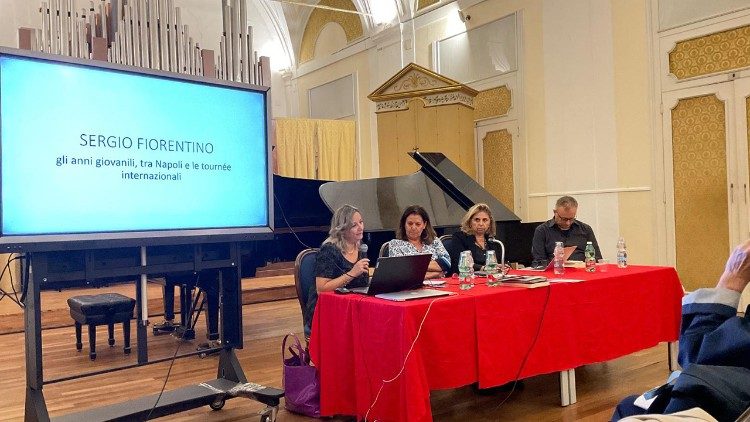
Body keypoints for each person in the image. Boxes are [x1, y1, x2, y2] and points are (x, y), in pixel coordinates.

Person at [612, 240, 750, 422]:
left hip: (720, 399)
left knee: (630, 410)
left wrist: (732, 278)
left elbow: (696, 356)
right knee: (630, 405)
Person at [303, 204, 369, 336]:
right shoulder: (329, 249)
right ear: (342, 228)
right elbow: (321, 289)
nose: (360, 227)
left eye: (361, 222)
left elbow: (361, 284)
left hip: (352, 308)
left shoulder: (361, 248)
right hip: (327, 311)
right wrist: (351, 274)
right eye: (354, 225)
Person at [531, 195, 602, 267]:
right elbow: (538, 262)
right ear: (555, 212)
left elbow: (597, 258)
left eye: (571, 219)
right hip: (555, 273)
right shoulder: (542, 230)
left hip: (582, 271)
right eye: (564, 219)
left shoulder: (585, 229)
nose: (568, 223)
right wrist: (557, 263)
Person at [386, 205, 451, 279]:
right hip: (410, 288)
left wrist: (413, 266)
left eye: (418, 224)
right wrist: (435, 273)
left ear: (424, 225)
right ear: (404, 224)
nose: (413, 227)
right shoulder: (395, 244)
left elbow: (446, 263)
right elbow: (401, 271)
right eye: (410, 223)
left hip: (439, 287)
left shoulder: (434, 241)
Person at [447, 203, 504, 275]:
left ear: (490, 223)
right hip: (468, 278)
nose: (481, 224)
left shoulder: (493, 240)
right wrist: (483, 268)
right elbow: (461, 263)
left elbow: (499, 261)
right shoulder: (459, 237)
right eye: (477, 220)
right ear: (470, 222)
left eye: (485, 220)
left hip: (490, 278)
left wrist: (503, 266)